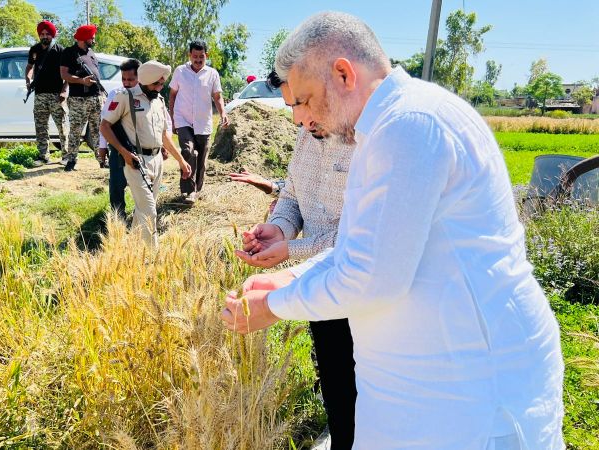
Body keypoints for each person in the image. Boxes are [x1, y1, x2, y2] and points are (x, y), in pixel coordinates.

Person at [221, 12, 564, 450]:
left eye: (304, 100)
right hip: (430, 392)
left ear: (343, 73)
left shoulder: (409, 126)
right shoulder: (386, 127)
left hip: (471, 400)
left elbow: (372, 276)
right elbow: (365, 245)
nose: (298, 119)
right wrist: (290, 277)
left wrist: (274, 304)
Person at [232, 71, 356, 450]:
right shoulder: (307, 132)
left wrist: (291, 251)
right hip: (317, 286)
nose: (297, 120)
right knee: (334, 378)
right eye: (291, 107)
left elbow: (364, 239)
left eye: (301, 103)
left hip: (358, 292)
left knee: (360, 389)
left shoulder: (369, 144)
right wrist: (279, 230)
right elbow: (293, 196)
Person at [100, 60, 192, 245]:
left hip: (157, 161)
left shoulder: (159, 101)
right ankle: (153, 257)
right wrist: (124, 153)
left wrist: (181, 161)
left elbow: (164, 136)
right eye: (156, 83)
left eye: (161, 83)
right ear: (146, 79)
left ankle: (133, 249)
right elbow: (105, 126)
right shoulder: (124, 96)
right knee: (150, 211)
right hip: (135, 162)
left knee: (142, 211)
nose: (159, 87)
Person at [168, 40, 229, 205]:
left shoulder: (212, 74)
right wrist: (172, 118)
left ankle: (197, 188)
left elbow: (217, 96)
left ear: (206, 56)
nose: (198, 60)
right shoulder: (180, 71)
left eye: (201, 56)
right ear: (190, 55)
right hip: (183, 119)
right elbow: (172, 94)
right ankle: (188, 191)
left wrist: (223, 113)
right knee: (188, 151)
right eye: (195, 56)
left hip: (203, 122)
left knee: (201, 158)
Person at [99, 58, 141, 219]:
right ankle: (118, 217)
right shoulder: (114, 94)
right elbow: (104, 123)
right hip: (118, 147)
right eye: (124, 79)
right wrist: (102, 147)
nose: (127, 83)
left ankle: (140, 216)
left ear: (140, 78)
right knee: (117, 184)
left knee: (142, 185)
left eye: (131, 79)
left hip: (140, 148)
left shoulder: (146, 96)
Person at [25, 20, 68, 166]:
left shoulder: (60, 50)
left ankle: (66, 156)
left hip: (56, 94)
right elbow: (30, 66)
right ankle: (43, 156)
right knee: (41, 126)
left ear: (52, 35)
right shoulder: (34, 49)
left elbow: (68, 73)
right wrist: (28, 79)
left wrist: (64, 90)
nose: (44, 36)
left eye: (47, 34)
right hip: (40, 94)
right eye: (42, 34)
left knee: (61, 126)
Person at [61, 24, 103, 171]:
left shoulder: (91, 52)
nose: (94, 39)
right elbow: (64, 74)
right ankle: (71, 161)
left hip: (96, 98)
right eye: (92, 36)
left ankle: (102, 159)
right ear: (84, 38)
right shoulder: (69, 52)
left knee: (98, 130)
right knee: (76, 131)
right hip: (79, 99)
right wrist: (81, 81)